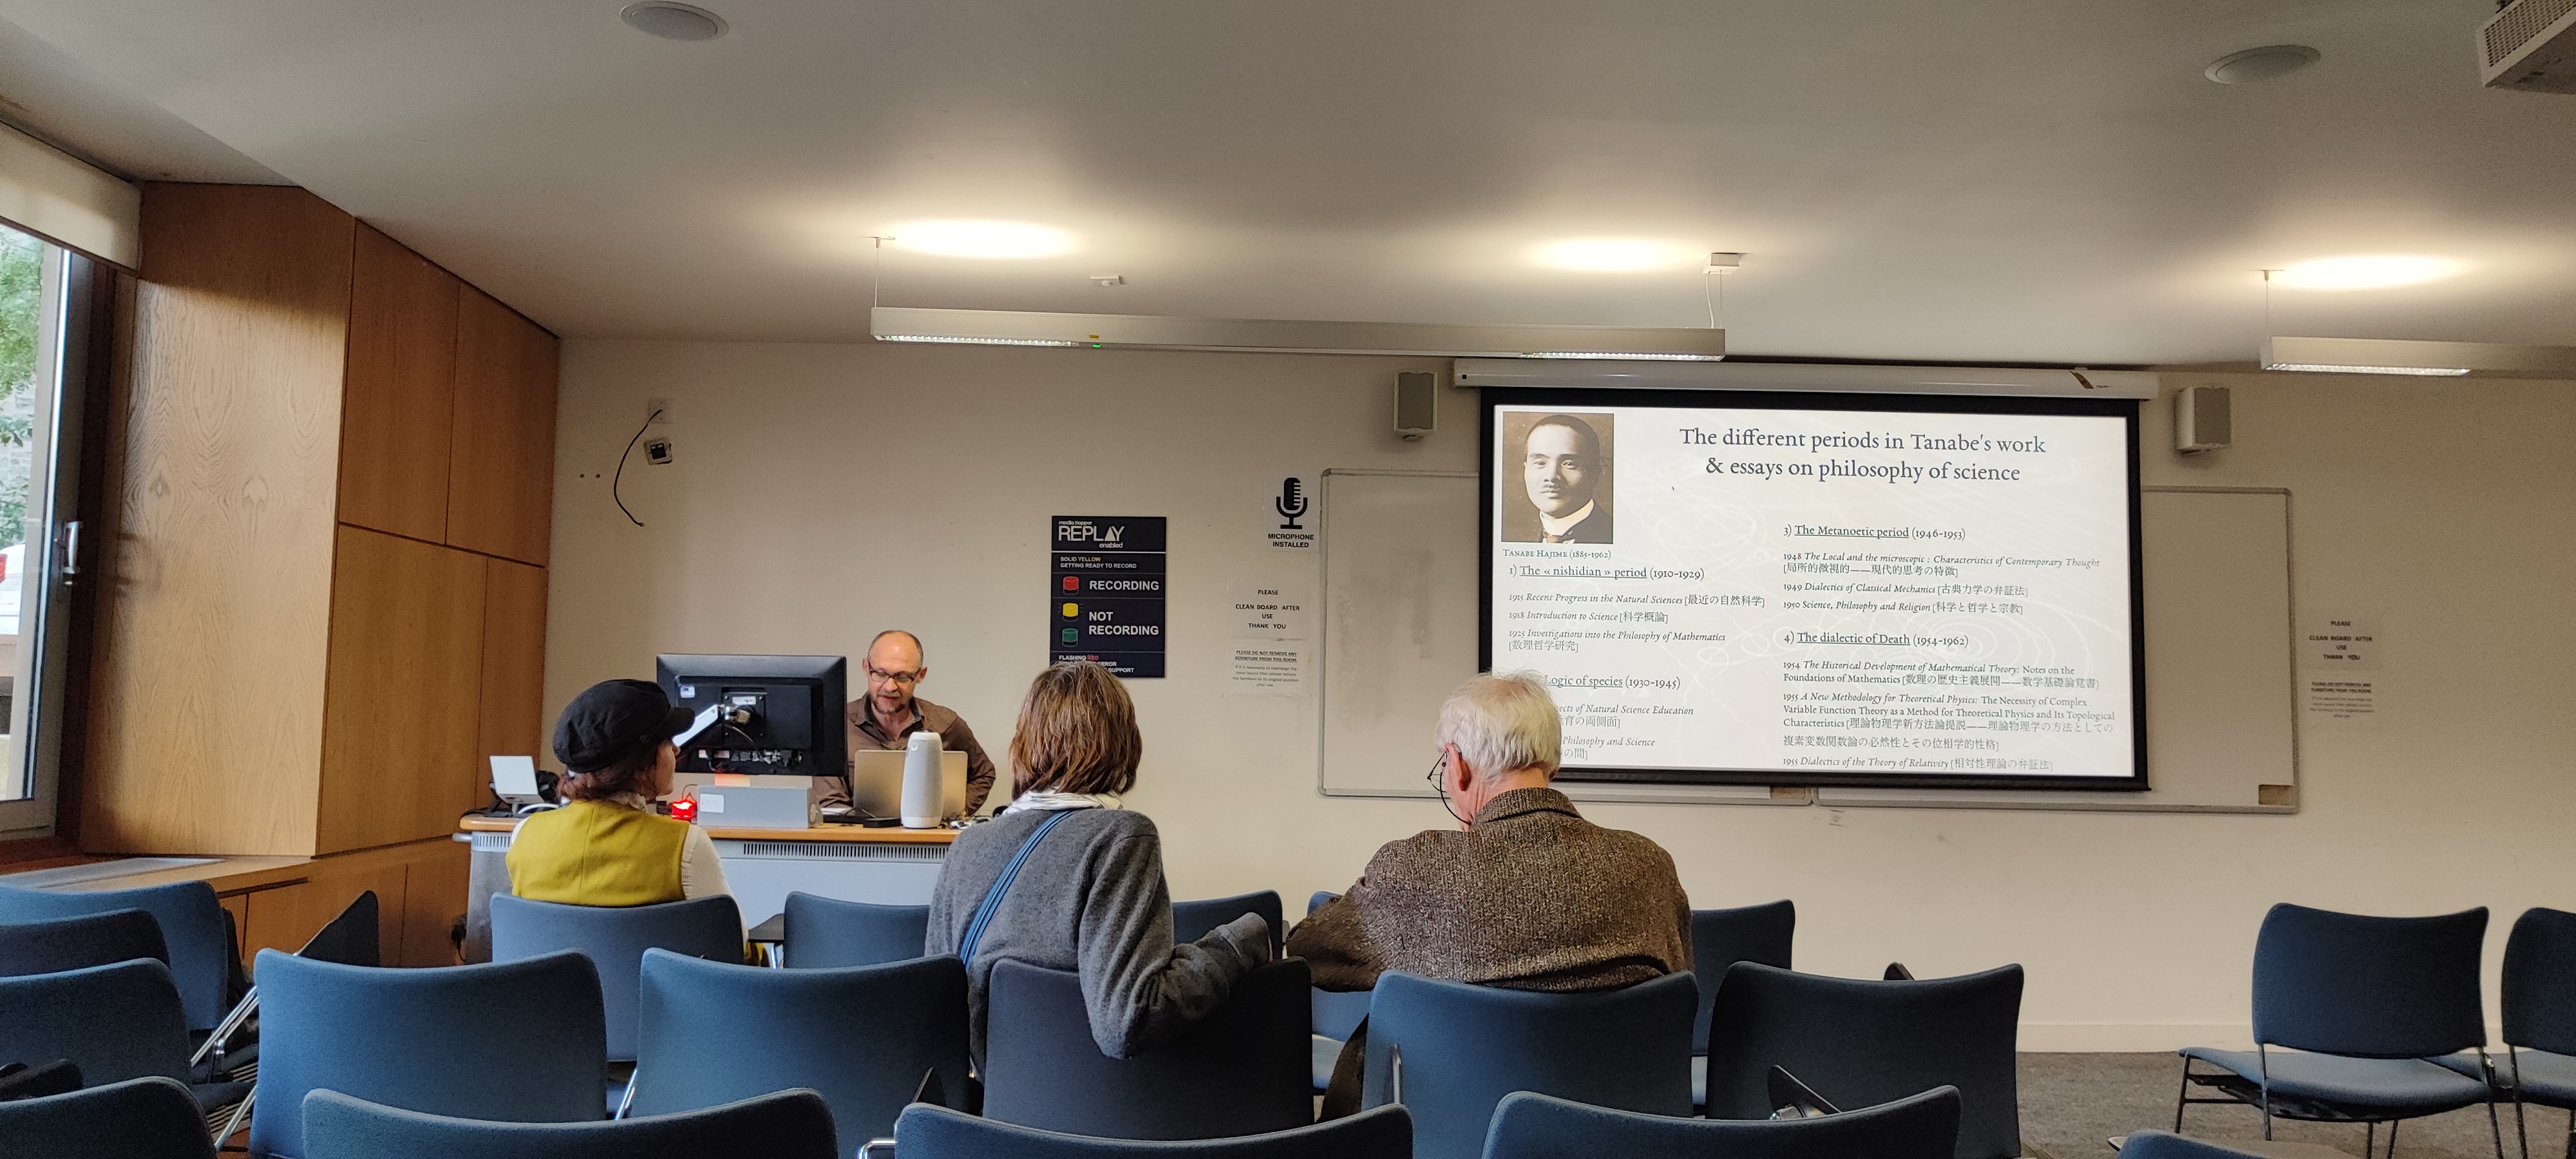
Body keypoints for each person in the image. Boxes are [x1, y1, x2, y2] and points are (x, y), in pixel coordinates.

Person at [1286, 670, 1690, 1115]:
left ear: (1457, 766)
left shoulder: (1418, 870)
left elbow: (1308, 950)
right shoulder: (1649, 867)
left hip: (1438, 1136)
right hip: (1614, 1133)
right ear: (1552, 767)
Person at [925, 661, 1271, 1064]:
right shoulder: (1122, 837)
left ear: (1022, 744)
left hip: (992, 1098)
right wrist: (1235, 945)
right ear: (1126, 744)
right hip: (1086, 1101)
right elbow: (1127, 1023)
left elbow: (936, 1015)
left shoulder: (968, 845)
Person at [507, 679, 732, 907]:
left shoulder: (525, 834)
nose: (677, 749)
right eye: (667, 742)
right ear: (642, 763)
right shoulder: (685, 845)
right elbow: (731, 929)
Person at [819, 629, 1001, 816]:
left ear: (921, 675)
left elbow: (983, 774)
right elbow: (831, 802)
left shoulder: (945, 723)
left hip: (928, 833)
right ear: (866, 667)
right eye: (880, 674)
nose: (890, 687)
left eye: (902, 677)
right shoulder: (835, 725)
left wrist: (957, 812)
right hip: (858, 833)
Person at [1506, 413, 1613, 543]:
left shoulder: (1618, 536)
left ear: (1594, 474)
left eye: (1569, 464)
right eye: (1540, 463)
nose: (1551, 477)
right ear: (1526, 469)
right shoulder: (1513, 538)